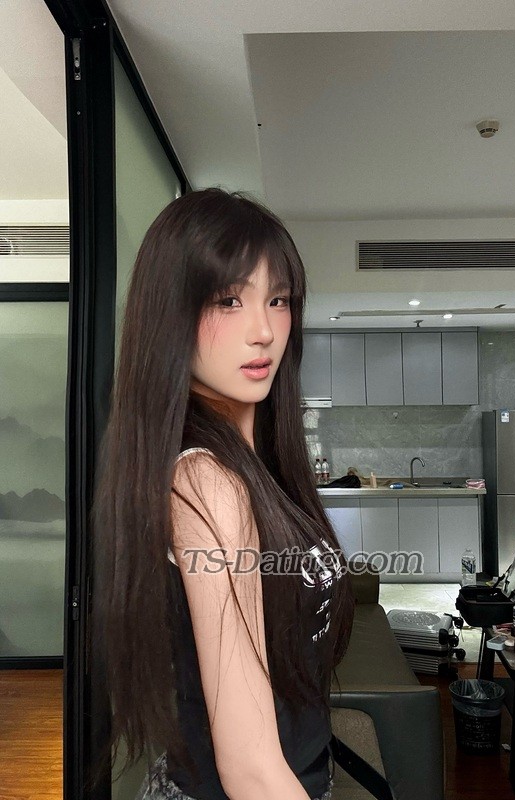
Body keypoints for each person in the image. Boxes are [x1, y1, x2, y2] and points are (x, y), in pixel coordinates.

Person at [90, 188, 356, 800]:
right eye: (228, 300)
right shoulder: (206, 482)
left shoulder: (259, 464)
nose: (263, 331)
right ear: (171, 314)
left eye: (278, 300)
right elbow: (249, 767)